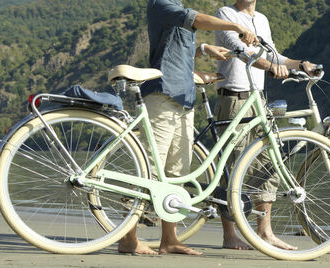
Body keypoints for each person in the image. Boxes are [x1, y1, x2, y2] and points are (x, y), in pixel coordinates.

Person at [120, 0, 259, 256]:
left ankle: (170, 239)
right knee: (150, 168)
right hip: (162, 94)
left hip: (184, 97)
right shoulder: (161, 4)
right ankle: (128, 237)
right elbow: (195, 19)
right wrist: (236, 25)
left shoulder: (175, 6)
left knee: (177, 173)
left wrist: (204, 49)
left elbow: (176, 49)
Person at [210, 0, 318, 251]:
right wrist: (272, 67)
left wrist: (300, 65)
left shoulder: (263, 20)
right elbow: (240, 50)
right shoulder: (226, 14)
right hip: (234, 97)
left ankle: (265, 232)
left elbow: (273, 55)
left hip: (258, 99)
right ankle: (230, 235)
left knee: (267, 162)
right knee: (231, 165)